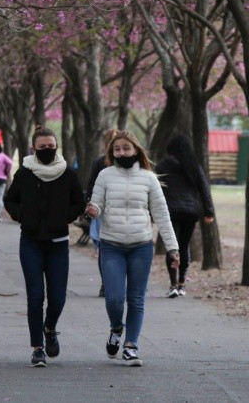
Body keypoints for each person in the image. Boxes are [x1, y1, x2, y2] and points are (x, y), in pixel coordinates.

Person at [85, 130, 179, 367]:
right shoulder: (105, 175)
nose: (122, 152)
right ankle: (116, 328)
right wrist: (94, 209)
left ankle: (131, 346)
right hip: (112, 245)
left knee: (136, 299)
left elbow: (162, 215)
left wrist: (173, 248)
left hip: (141, 246)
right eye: (117, 149)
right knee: (115, 298)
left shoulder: (149, 178)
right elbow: (96, 202)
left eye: (126, 148)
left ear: (136, 149)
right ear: (112, 152)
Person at [3, 125, 84, 367]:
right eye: (42, 147)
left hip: (58, 243)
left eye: (51, 146)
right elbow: (10, 199)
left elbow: (79, 201)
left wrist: (65, 218)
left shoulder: (67, 173)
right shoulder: (25, 172)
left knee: (58, 298)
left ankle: (49, 328)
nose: (47, 150)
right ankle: (37, 348)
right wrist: (22, 217)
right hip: (31, 242)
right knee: (35, 296)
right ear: (33, 149)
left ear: (56, 147)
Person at [154, 134, 215, 298]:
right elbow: (204, 189)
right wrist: (209, 212)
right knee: (184, 245)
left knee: (172, 247)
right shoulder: (193, 165)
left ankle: (173, 284)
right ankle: (181, 283)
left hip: (170, 211)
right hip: (191, 212)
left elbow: (154, 188)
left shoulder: (162, 166)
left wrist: (152, 211)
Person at [85, 128, 119, 298]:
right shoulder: (100, 162)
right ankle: (108, 283)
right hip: (105, 210)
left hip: (106, 210)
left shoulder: (101, 162)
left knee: (105, 248)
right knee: (108, 248)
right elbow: (91, 186)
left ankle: (107, 283)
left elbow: (90, 186)